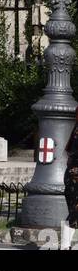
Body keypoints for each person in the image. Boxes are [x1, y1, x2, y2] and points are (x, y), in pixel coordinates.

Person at [64, 105, 78, 250]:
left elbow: (68, 152)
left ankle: (66, 245)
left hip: (71, 175)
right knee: (75, 213)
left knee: (74, 213)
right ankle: (65, 246)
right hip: (74, 177)